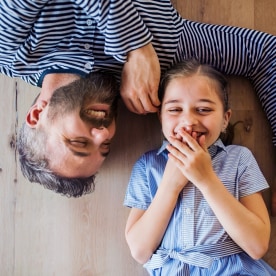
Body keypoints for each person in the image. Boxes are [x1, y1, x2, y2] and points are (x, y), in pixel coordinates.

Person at [0, 0, 275, 197]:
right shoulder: (166, 58)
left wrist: (135, 45)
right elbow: (265, 54)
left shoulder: (11, 51)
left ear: (37, 114)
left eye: (79, 141)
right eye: (105, 145)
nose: (104, 132)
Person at [124, 60, 276, 275]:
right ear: (160, 117)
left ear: (225, 119)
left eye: (203, 109)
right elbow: (140, 251)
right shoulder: (147, 166)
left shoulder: (239, 159)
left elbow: (257, 246)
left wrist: (207, 180)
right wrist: (170, 185)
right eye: (175, 109)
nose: (188, 121)